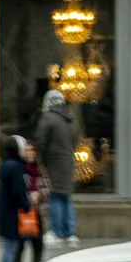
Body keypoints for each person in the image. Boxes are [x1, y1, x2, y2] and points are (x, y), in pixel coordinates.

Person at [35, 89, 80, 248]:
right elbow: (75, 141)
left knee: (54, 197)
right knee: (66, 197)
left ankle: (57, 232)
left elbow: (40, 141)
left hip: (53, 162)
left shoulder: (48, 118)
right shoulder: (71, 119)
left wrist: (39, 159)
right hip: (68, 161)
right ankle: (71, 233)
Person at [0, 135, 32, 262]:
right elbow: (17, 191)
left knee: (8, 246)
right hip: (12, 213)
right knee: (10, 247)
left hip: (5, 212)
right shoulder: (15, 167)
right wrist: (27, 205)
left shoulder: (6, 165)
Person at [12, 136, 47, 262]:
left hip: (35, 212)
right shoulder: (18, 169)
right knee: (19, 247)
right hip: (19, 212)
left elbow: (48, 186)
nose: (30, 153)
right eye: (27, 150)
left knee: (38, 245)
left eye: (32, 150)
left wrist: (39, 194)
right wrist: (26, 196)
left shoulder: (40, 170)